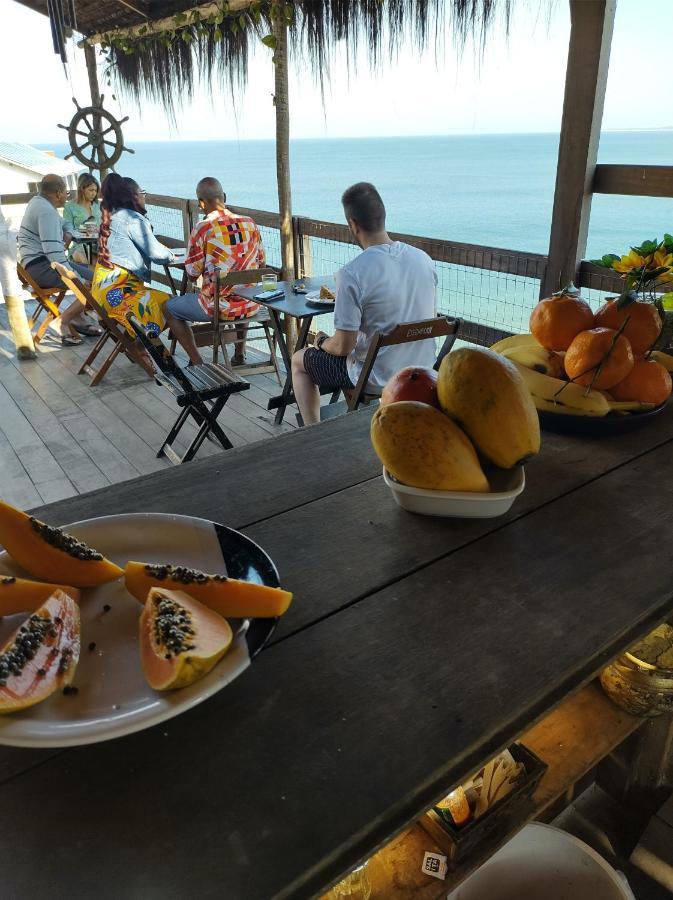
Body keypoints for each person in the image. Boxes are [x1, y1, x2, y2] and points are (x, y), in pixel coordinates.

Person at [291, 182, 437, 425]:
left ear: (353, 224)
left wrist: (321, 341)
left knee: (299, 361)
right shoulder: (423, 260)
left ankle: (312, 431)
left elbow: (343, 347)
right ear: (383, 216)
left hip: (376, 377)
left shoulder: (353, 273)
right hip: (423, 371)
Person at [164, 177, 266, 366]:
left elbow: (193, 273)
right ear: (224, 197)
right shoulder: (250, 223)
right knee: (241, 289)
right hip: (250, 304)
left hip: (218, 307)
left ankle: (196, 361)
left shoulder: (203, 228)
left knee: (169, 308)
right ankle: (240, 353)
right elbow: (261, 263)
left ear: (201, 203)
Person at [92, 173, 174, 350]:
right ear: (135, 196)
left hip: (101, 294)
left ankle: (135, 347)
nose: (144, 196)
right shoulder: (132, 219)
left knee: (164, 302)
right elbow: (158, 255)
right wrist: (173, 254)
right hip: (121, 294)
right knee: (171, 304)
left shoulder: (111, 217)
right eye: (142, 192)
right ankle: (139, 348)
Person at [17, 174, 99, 345]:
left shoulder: (38, 202)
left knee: (97, 278)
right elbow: (55, 257)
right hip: (42, 266)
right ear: (58, 192)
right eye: (66, 192)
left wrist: (68, 233)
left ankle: (77, 318)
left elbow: (65, 224)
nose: (67, 196)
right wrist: (78, 279)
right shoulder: (47, 212)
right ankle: (62, 321)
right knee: (91, 286)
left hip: (35, 266)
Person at [63, 173, 101, 265]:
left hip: (99, 246)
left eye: (96, 190)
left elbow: (103, 227)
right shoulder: (70, 206)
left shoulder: (97, 205)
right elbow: (68, 230)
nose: (94, 193)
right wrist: (91, 231)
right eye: (91, 190)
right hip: (80, 247)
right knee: (92, 260)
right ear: (82, 189)